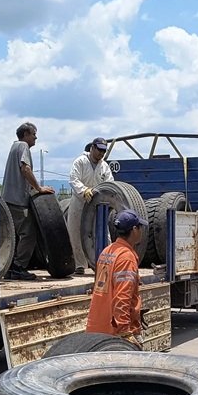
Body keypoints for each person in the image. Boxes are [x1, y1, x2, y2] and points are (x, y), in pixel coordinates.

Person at [1, 122, 55, 281]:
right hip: (16, 200)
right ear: (25, 134)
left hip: (8, 198)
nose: (36, 137)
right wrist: (38, 188)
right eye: (33, 134)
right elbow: (25, 169)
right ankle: (18, 267)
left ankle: (11, 267)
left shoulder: (14, 147)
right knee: (29, 233)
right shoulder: (23, 146)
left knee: (14, 235)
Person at [86, 209, 147, 347]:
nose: (142, 231)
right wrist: (125, 333)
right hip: (114, 333)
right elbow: (122, 297)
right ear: (134, 230)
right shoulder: (126, 258)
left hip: (97, 327)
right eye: (140, 227)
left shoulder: (107, 252)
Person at [68, 137, 115, 274]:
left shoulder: (104, 166)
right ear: (92, 148)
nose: (101, 153)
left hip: (97, 205)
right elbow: (73, 179)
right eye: (99, 149)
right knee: (76, 233)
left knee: (102, 233)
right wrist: (84, 190)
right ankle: (80, 265)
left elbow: (110, 183)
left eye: (104, 151)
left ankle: (105, 262)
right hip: (79, 202)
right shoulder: (80, 162)